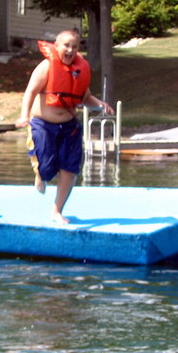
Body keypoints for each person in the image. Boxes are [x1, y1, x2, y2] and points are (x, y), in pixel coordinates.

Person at [16, 30, 114, 224]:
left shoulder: (79, 70)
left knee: (70, 169)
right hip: (43, 125)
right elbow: (30, 92)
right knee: (46, 166)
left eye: (75, 47)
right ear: (57, 46)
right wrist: (24, 115)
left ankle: (57, 211)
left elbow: (85, 97)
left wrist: (99, 104)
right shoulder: (46, 67)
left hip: (69, 126)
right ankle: (41, 175)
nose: (70, 50)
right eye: (66, 46)